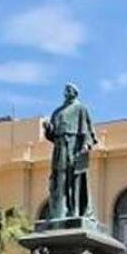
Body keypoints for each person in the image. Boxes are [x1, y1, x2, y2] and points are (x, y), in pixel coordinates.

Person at [44, 83, 98, 219]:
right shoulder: (57, 111)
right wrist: (48, 128)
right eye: (65, 89)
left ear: (75, 93)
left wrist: (86, 145)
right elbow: (52, 135)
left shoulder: (80, 108)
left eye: (69, 90)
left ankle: (75, 210)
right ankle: (60, 211)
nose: (66, 92)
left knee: (75, 179)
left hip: (74, 146)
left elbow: (87, 130)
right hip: (60, 147)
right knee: (59, 178)